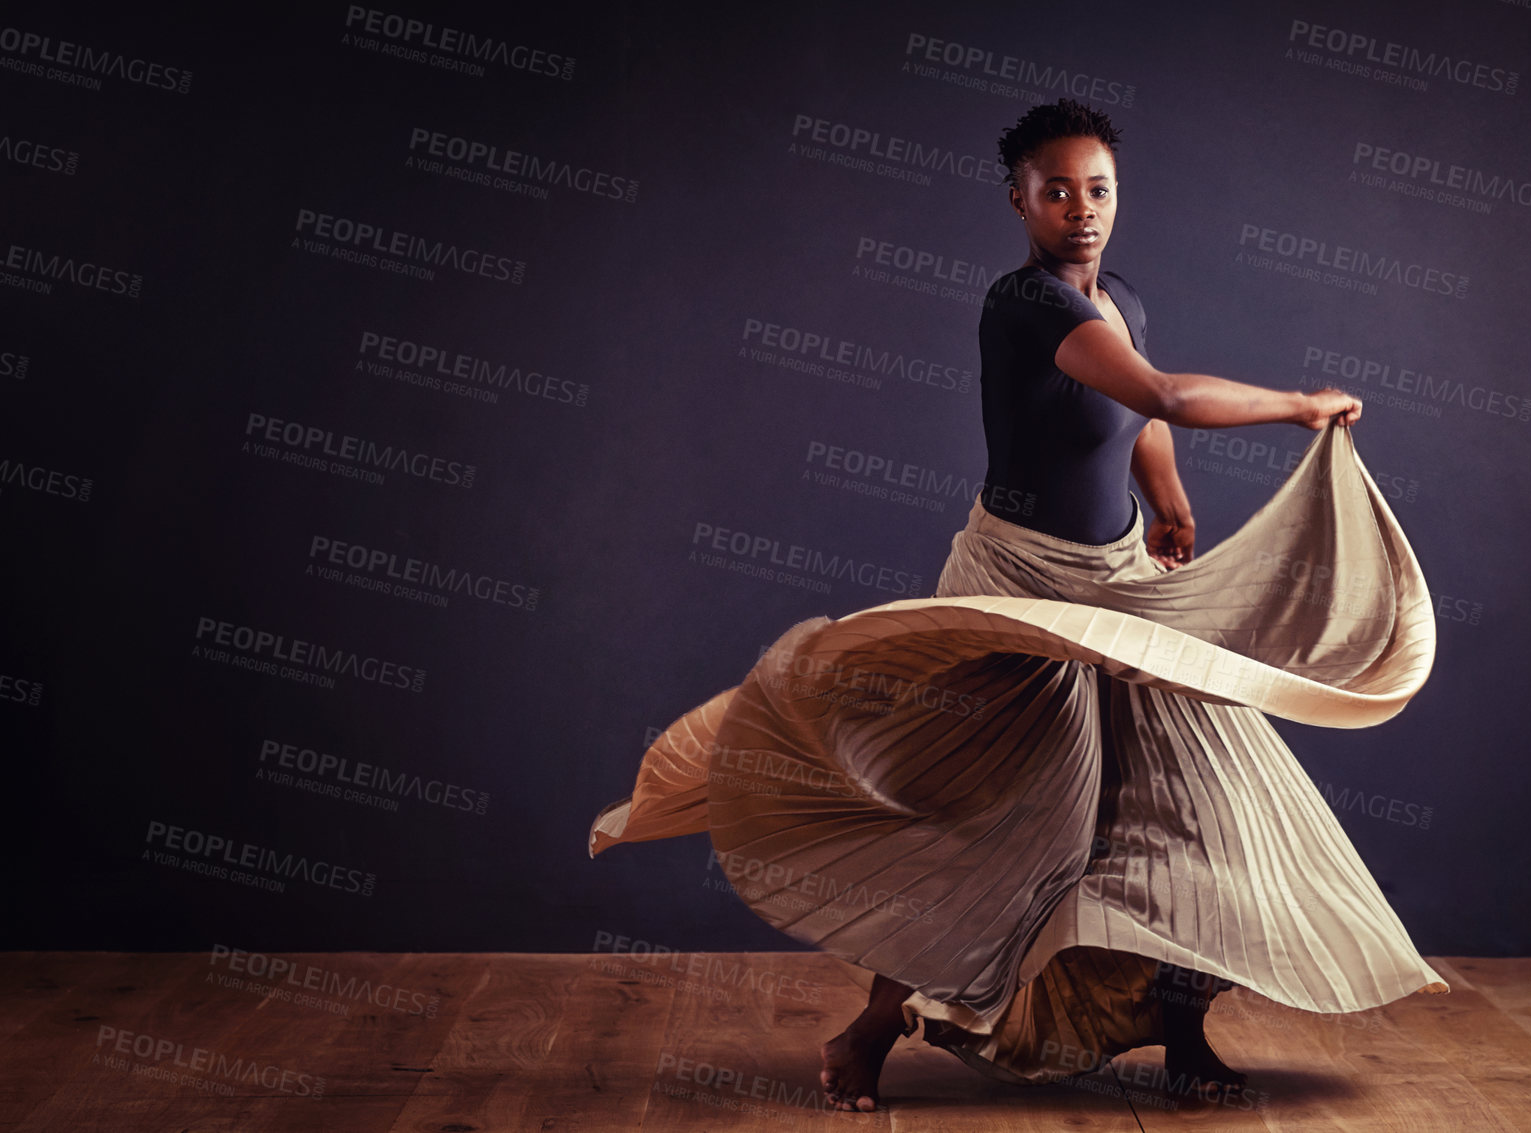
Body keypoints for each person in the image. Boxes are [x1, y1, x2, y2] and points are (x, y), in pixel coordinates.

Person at [589, 98, 1446, 1114]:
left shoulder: (1116, 294)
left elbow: (1139, 416)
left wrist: (1168, 505)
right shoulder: (1027, 303)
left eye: (1099, 188)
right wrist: (1302, 404)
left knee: (1195, 804)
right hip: (1020, 585)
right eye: (1057, 190)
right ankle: (865, 1032)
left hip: (1120, 582)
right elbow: (1164, 392)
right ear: (1019, 200)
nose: (1081, 209)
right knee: (994, 822)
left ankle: (1180, 1035)